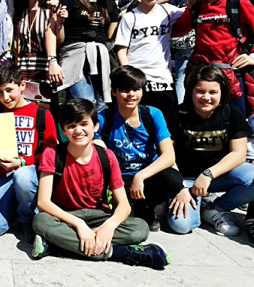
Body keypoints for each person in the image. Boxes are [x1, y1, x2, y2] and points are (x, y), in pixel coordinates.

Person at [32, 98, 170, 268]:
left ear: (95, 126)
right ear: (63, 130)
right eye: (71, 126)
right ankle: (119, 253)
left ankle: (57, 247)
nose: (78, 131)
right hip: (66, 217)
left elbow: (124, 206)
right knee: (41, 221)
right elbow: (43, 202)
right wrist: (79, 225)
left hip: (98, 216)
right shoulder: (52, 154)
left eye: (84, 124)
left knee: (140, 228)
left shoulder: (107, 156)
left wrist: (108, 227)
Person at [168, 66, 254, 242]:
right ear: (191, 91)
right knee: (181, 226)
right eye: (200, 91)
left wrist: (208, 174)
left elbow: (239, 154)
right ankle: (188, 202)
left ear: (222, 92)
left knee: (252, 176)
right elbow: (166, 155)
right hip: (186, 179)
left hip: (216, 176)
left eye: (213, 92)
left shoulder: (231, 113)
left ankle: (214, 208)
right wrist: (179, 186)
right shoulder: (178, 114)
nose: (206, 98)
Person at [96, 66, 183, 230]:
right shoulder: (103, 117)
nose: (131, 95)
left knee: (173, 179)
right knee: (122, 221)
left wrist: (140, 177)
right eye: (125, 90)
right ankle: (132, 208)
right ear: (114, 91)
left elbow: (169, 156)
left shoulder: (152, 114)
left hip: (147, 175)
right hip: (117, 179)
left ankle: (147, 208)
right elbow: (97, 152)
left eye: (136, 89)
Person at [0, 64, 57, 241]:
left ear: (22, 85)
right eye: (0, 92)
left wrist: (23, 162)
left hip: (30, 174)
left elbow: (50, 153)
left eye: (9, 90)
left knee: (22, 176)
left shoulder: (41, 114)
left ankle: (27, 218)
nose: (5, 97)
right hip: (5, 175)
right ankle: (16, 208)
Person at [115, 0, 184, 132]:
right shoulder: (130, 18)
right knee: (140, 128)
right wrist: (129, 78)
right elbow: (121, 49)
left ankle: (169, 158)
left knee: (170, 129)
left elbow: (191, 14)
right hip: (139, 83)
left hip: (163, 81)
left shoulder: (169, 12)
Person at [48, 0, 120, 112]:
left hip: (101, 57)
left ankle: (96, 136)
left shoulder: (110, 4)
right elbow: (59, 39)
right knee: (86, 103)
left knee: (102, 105)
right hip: (74, 55)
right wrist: (60, 22)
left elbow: (111, 37)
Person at [11, 0, 58, 98]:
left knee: (43, 106)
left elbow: (59, 39)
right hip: (23, 66)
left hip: (44, 66)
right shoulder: (19, 10)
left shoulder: (50, 9)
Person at [170, 0, 198, 104]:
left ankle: (180, 105)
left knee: (180, 78)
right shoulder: (201, 2)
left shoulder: (176, 2)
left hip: (180, 43)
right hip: (198, 43)